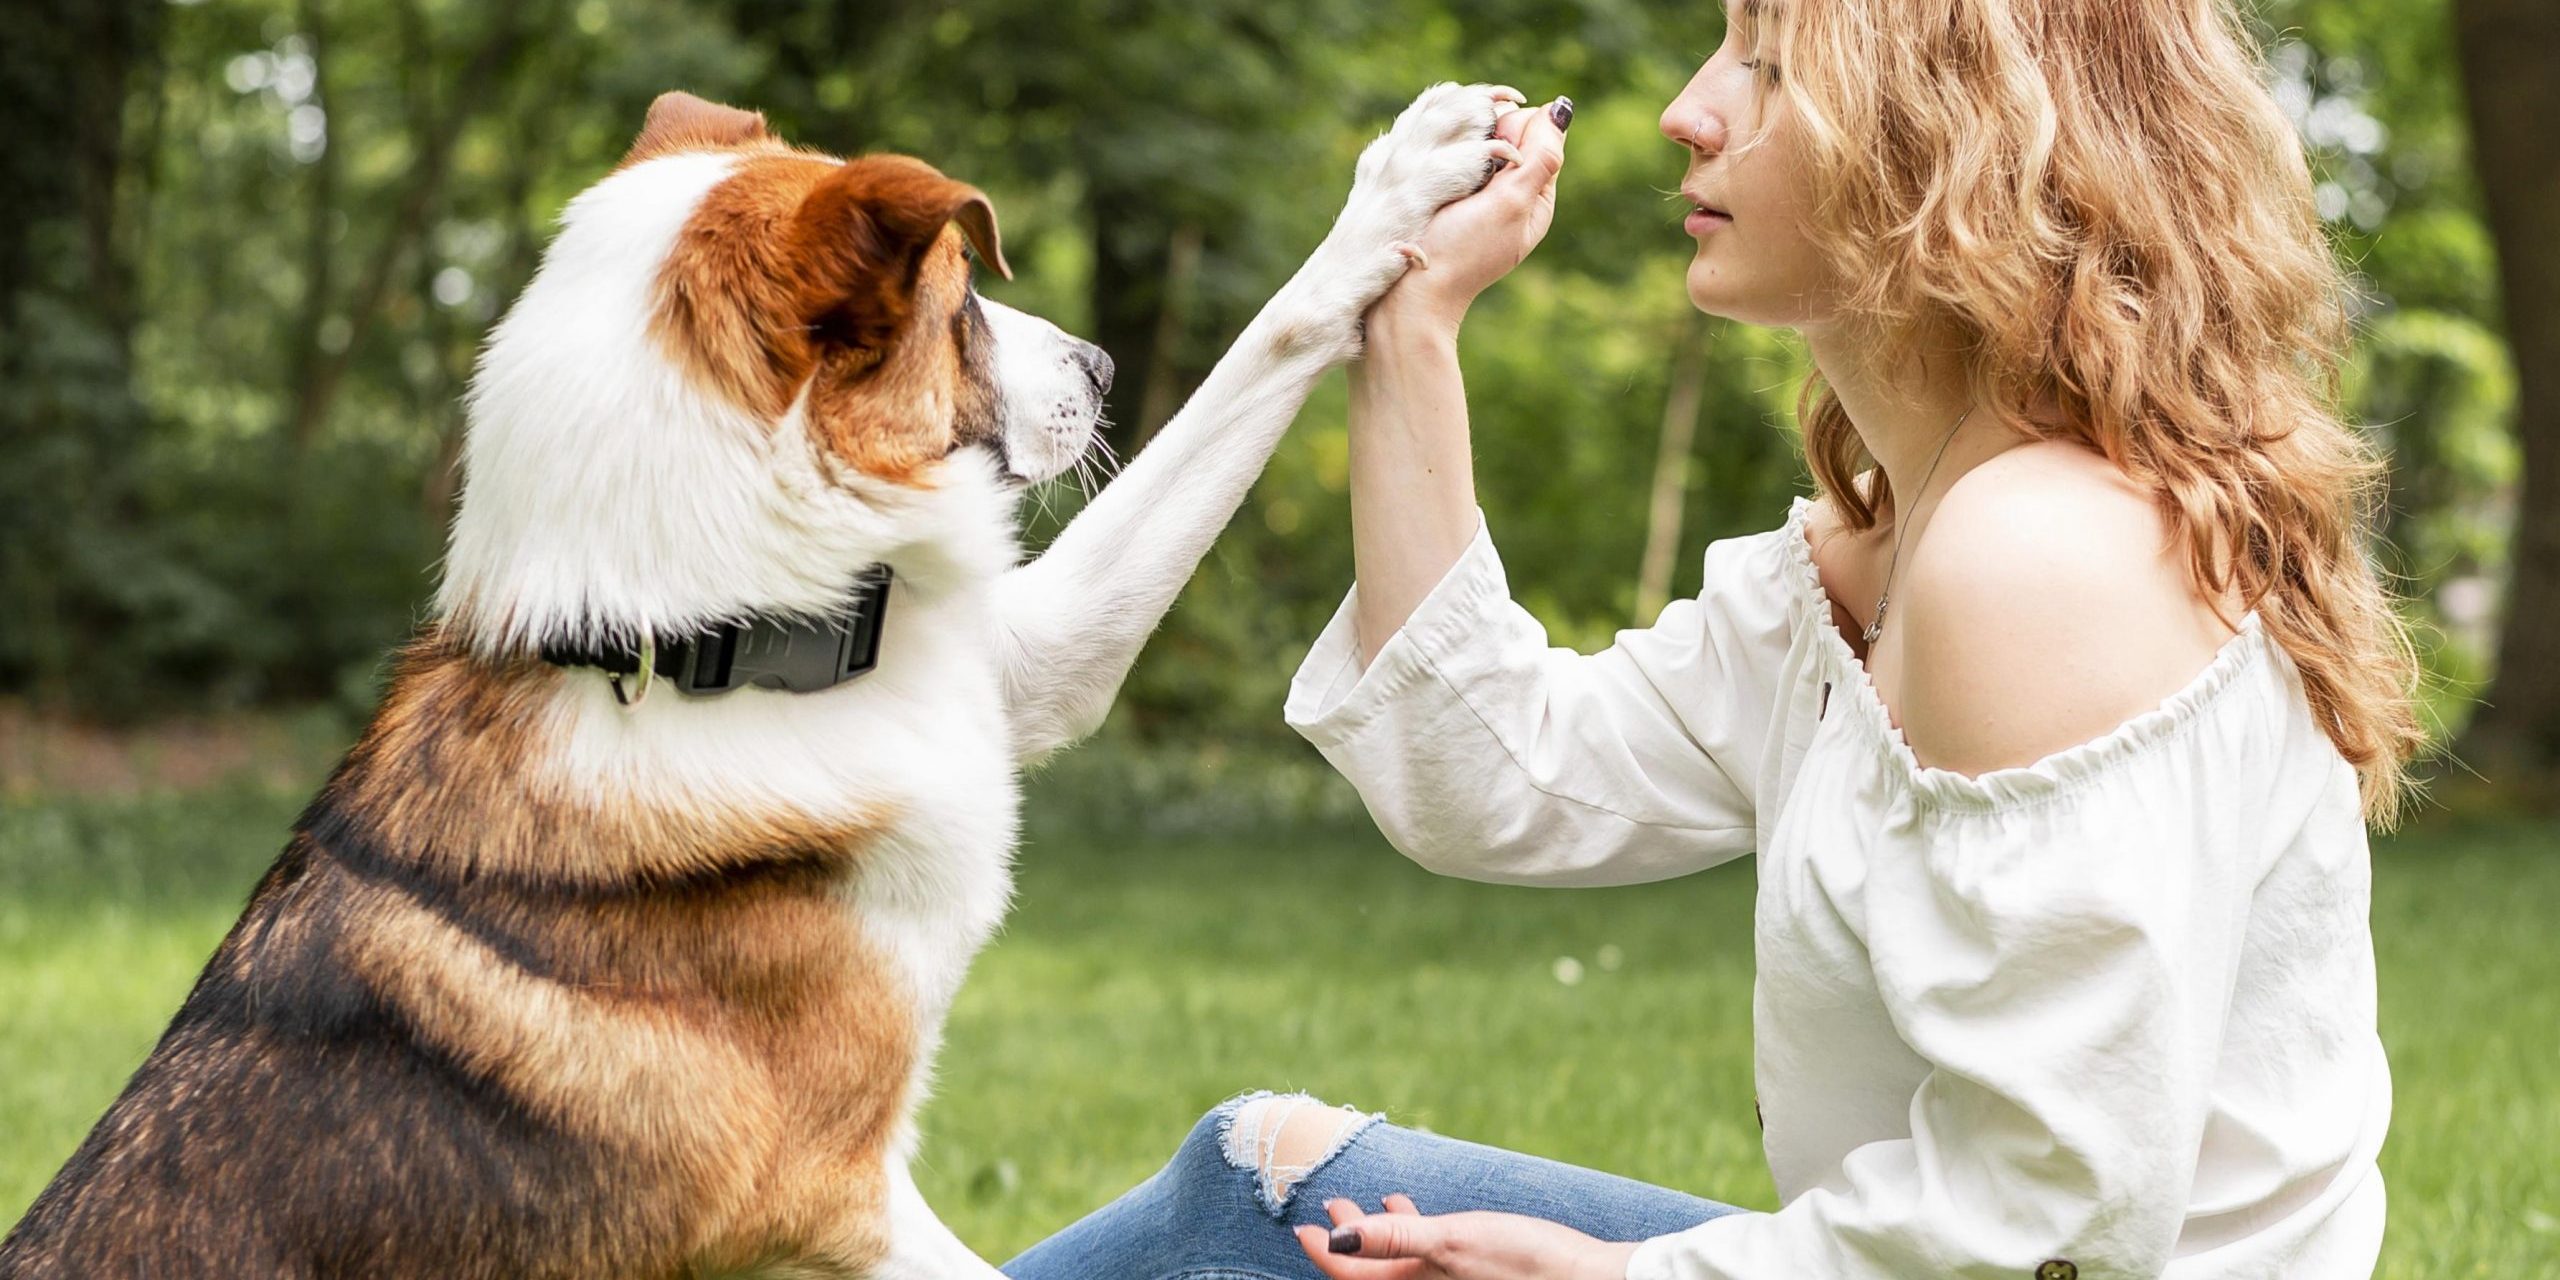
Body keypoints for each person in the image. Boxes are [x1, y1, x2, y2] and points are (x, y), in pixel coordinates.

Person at [1000, 0, 2427, 1275]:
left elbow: (2053, 1231)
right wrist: (1414, 326)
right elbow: (1486, 777)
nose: (1689, 108)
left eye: (1769, 61)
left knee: (1258, 1220)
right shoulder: (1873, 562)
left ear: (1951, 140)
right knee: (1272, 1189)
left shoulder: (2044, 561)